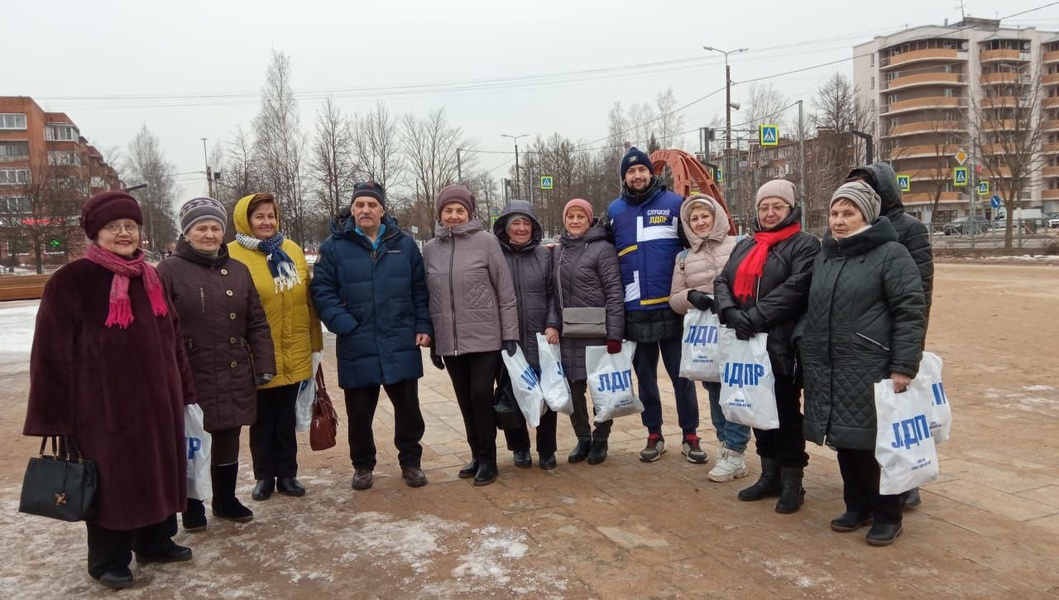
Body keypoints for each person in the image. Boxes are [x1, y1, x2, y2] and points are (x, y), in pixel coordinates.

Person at [24, 191, 197, 590]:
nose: (124, 234)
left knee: (159, 469)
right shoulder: (71, 281)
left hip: (159, 401)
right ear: (95, 233)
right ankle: (107, 559)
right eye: (113, 227)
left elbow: (173, 339)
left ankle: (155, 541)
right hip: (102, 408)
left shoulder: (150, 277)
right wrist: (56, 419)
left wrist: (185, 392)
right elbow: (50, 355)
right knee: (112, 482)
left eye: (130, 226)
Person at [799, 181, 925, 546]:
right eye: (834, 214)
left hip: (871, 364)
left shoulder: (891, 254)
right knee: (844, 439)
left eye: (848, 213)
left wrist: (904, 365)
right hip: (829, 363)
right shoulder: (826, 255)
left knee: (873, 445)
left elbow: (910, 312)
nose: (838, 221)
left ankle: (888, 514)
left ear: (867, 215)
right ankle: (857, 506)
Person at [157, 197, 275, 531]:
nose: (209, 235)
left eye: (215, 228)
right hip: (190, 370)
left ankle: (226, 499)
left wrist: (263, 361)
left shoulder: (238, 270)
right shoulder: (168, 271)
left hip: (233, 366)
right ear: (187, 233)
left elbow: (256, 320)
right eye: (201, 228)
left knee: (228, 436)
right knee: (193, 439)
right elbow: (161, 326)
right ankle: (192, 505)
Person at [311, 182, 432, 491]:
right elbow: (322, 292)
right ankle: (363, 465)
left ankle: (410, 461)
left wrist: (422, 326)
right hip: (358, 340)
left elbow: (419, 289)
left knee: (408, 408)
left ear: (382, 210)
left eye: (372, 205)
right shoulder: (334, 247)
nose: (366, 210)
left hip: (399, 338)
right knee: (360, 412)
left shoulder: (403, 244)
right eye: (360, 205)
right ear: (352, 209)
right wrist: (344, 324)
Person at [714, 178, 820, 514]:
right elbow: (722, 280)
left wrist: (756, 317)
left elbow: (797, 288)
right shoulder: (746, 244)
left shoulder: (804, 245)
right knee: (755, 411)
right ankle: (768, 475)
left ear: (791, 209)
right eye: (764, 207)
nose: (770, 212)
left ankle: (792, 482)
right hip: (746, 345)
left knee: (786, 414)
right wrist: (730, 311)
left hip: (780, 346)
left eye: (778, 206)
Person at [605, 147, 704, 464]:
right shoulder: (615, 211)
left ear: (651, 172)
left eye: (641, 170)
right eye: (630, 172)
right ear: (624, 177)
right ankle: (654, 435)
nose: (636, 176)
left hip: (672, 308)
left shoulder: (675, 204)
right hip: (635, 309)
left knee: (682, 378)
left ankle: (690, 436)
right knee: (645, 380)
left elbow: (696, 246)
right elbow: (604, 252)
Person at [846, 161, 934, 510]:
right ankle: (868, 486)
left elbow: (919, 293)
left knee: (898, 414)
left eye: (869, 187)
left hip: (893, 338)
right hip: (856, 341)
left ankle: (906, 479)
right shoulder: (850, 229)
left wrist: (909, 353)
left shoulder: (909, 229)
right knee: (866, 417)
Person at [228, 192, 323, 501]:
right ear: (246, 220)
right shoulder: (231, 255)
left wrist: (314, 344)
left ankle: (288, 474)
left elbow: (307, 299)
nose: (266, 222)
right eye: (259, 217)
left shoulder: (291, 249)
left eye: (271, 216)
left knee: (286, 416)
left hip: (293, 347)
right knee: (262, 418)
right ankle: (264, 476)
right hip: (256, 351)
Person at [423, 184, 519, 486]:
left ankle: (489, 460)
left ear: (469, 213)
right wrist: (434, 340)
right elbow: (429, 296)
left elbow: (505, 292)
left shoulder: (486, 242)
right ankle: (476, 454)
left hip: (486, 337)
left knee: (480, 395)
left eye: (459, 210)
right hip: (450, 341)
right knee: (465, 399)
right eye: (448, 210)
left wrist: (509, 335)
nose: (454, 215)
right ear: (440, 214)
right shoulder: (429, 249)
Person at [668, 194, 749, 483]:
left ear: (717, 218)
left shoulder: (739, 244)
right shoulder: (684, 257)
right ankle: (726, 447)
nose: (701, 222)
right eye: (694, 219)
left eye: (705, 216)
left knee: (738, 387)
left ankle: (736, 450)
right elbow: (674, 299)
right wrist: (690, 297)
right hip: (706, 334)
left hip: (737, 327)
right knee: (715, 390)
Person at [553, 198, 624, 464]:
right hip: (568, 333)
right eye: (570, 216)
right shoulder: (558, 252)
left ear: (589, 219)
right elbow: (553, 294)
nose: (574, 221)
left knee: (600, 390)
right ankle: (583, 438)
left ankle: (601, 439)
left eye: (580, 216)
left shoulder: (603, 249)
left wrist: (615, 334)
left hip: (597, 333)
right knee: (573, 390)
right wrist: (553, 324)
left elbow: (615, 292)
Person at [492, 199, 561, 470]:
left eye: (526, 223)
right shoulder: (494, 254)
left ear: (534, 227)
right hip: (507, 338)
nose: (521, 228)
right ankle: (519, 447)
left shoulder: (545, 256)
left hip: (541, 337)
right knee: (512, 393)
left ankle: (547, 449)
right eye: (515, 223)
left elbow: (554, 294)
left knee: (547, 394)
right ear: (505, 227)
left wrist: (553, 324)